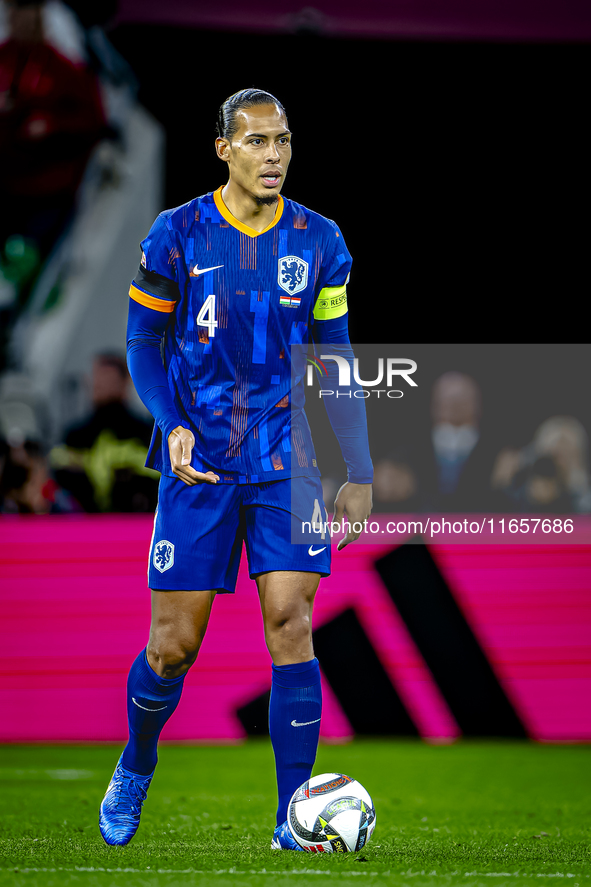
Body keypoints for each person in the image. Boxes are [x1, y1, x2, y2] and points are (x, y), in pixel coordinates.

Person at [98, 88, 373, 850]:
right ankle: (136, 761)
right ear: (222, 148)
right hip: (200, 466)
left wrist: (359, 465)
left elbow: (336, 357)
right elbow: (142, 346)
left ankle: (293, 817)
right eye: (256, 141)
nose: (274, 155)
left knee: (290, 621)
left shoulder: (320, 241)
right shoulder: (175, 233)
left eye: (282, 140)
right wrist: (173, 422)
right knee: (171, 647)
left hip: (286, 462)